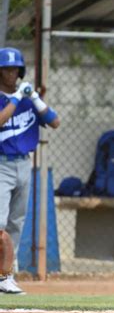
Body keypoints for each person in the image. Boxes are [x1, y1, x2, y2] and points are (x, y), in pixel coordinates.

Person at [0, 47, 60, 294]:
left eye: (15, 69)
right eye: (6, 69)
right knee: (0, 224)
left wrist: (34, 98)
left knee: (16, 222)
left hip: (25, 163)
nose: (12, 74)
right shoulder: (11, 100)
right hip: (1, 164)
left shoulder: (28, 100)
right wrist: (15, 99)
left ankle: (6, 275)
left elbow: (55, 122)